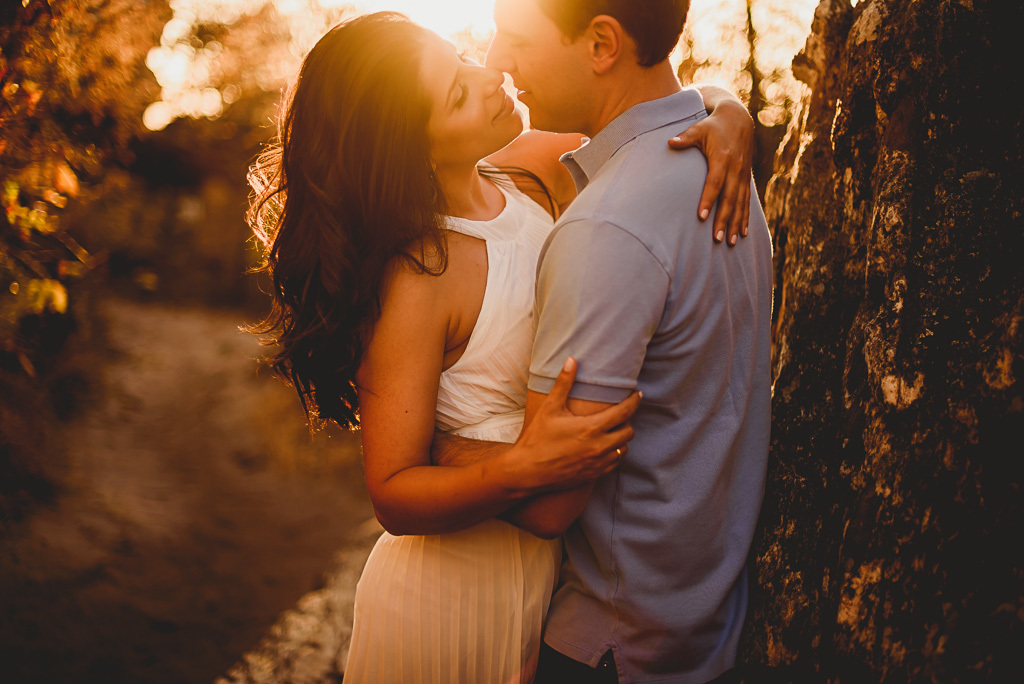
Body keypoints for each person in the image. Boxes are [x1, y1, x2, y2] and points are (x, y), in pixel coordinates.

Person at [247, 10, 755, 684]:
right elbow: (392, 492)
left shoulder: (527, 173)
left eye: (460, 59)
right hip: (446, 602)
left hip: (543, 589)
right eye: (458, 93)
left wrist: (728, 112)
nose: (489, 75)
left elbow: (649, 101)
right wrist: (519, 468)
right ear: (414, 148)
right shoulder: (419, 275)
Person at [431, 1, 774, 682]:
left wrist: (439, 445)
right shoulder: (714, 158)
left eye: (517, 38)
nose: (498, 61)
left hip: (613, 645)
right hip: (703, 628)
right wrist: (727, 102)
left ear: (602, 44)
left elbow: (551, 502)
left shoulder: (606, 228)